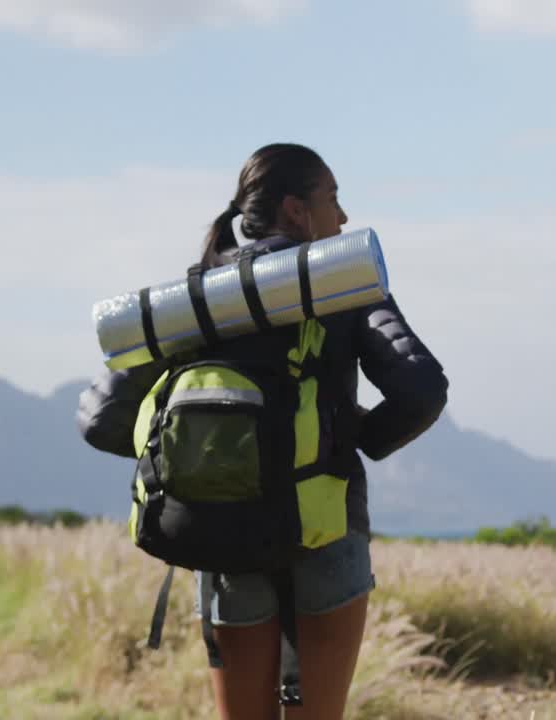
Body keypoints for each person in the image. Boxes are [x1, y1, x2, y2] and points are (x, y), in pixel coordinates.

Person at [78, 143, 448, 719]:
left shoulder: (198, 301)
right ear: (297, 210)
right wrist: (358, 439)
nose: (344, 218)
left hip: (224, 540)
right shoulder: (343, 286)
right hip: (327, 532)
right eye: (333, 199)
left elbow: (101, 419)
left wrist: (188, 453)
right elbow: (422, 390)